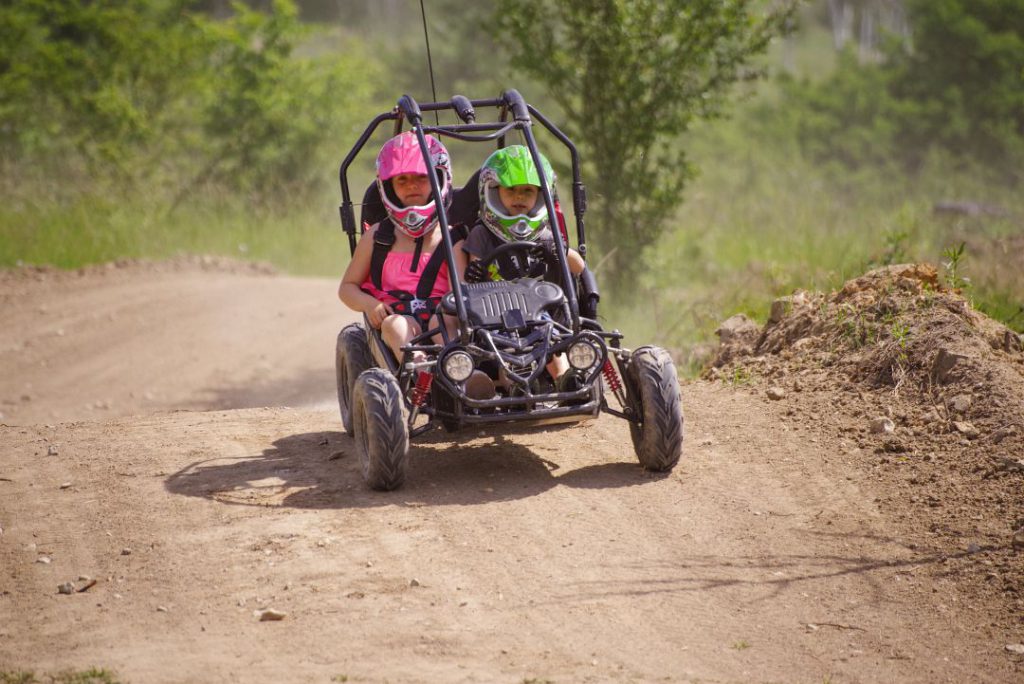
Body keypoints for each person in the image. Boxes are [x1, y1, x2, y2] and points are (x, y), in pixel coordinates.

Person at [462, 145, 586, 391]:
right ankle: (514, 386)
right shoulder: (481, 233)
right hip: (494, 312)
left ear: (541, 195)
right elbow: (473, 271)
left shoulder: (545, 234)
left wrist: (557, 252)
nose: (519, 197)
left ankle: (565, 380)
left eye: (527, 191)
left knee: (546, 331)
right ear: (494, 193)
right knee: (504, 343)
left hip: (539, 307)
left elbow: (579, 267)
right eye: (512, 190)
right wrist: (475, 273)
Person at [338, 131, 467, 367]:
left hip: (442, 321)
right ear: (387, 186)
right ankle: (420, 375)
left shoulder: (451, 239)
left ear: (439, 179)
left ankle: (460, 377)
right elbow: (347, 288)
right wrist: (370, 305)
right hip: (395, 319)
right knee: (396, 325)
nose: (412, 186)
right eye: (402, 180)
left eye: (421, 177)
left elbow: (459, 297)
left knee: (443, 325)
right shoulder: (377, 237)